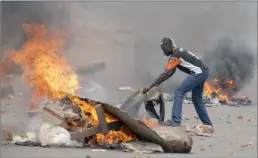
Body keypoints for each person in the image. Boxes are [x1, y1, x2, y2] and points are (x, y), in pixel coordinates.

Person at [142, 37, 213, 130]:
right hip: (203, 72)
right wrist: (156, 85)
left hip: (198, 73)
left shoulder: (176, 55)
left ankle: (175, 121)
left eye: (164, 48)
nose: (163, 51)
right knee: (196, 98)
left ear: (170, 46)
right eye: (162, 48)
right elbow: (170, 72)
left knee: (179, 92)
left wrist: (150, 86)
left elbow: (166, 73)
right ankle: (208, 124)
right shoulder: (178, 52)